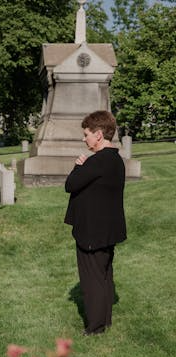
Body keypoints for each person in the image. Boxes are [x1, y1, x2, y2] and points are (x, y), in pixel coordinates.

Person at [64, 110, 126, 336]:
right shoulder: (116, 160)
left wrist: (78, 166)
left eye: (86, 134)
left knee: (92, 279)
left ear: (99, 135)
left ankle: (96, 327)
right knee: (104, 274)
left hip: (92, 230)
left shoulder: (95, 162)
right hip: (109, 228)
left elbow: (70, 185)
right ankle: (105, 320)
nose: (84, 139)